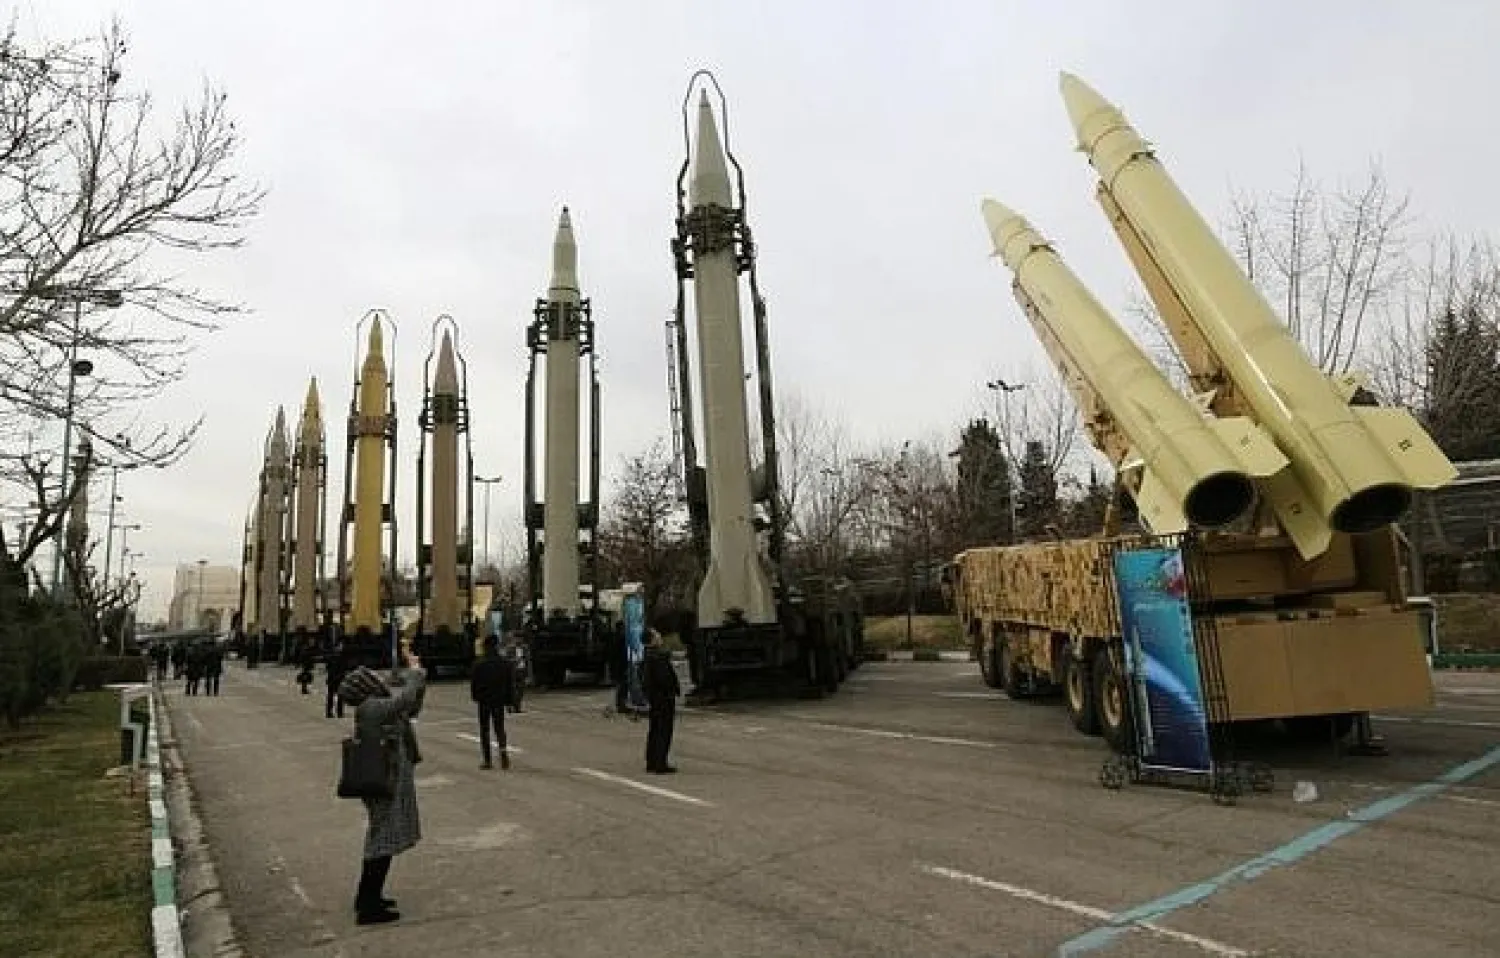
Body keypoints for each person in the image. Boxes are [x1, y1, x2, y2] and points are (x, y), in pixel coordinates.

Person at [338, 652, 427, 926]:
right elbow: (405, 701)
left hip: (386, 780)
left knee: (383, 838)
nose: (378, 680)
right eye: (373, 679)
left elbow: (410, 708)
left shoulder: (374, 706)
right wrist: (415, 672)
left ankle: (369, 896)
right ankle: (368, 905)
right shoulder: (371, 708)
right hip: (383, 782)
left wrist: (419, 682)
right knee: (382, 841)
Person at [469, 634, 516, 770]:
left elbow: (474, 684)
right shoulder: (505, 663)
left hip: (484, 700)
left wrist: (476, 697)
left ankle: (487, 760)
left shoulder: (479, 664)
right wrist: (510, 702)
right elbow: (509, 684)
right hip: (499, 700)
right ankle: (503, 754)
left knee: (484, 730)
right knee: (499, 728)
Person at [641, 629, 679, 774]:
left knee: (655, 728)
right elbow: (664, 679)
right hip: (663, 697)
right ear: (652, 639)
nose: (660, 636)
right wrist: (672, 690)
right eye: (657, 635)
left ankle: (651, 760)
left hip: (654, 697)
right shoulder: (657, 657)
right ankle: (660, 762)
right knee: (664, 729)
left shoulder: (648, 655)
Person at [325, 647, 350, 719]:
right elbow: (344, 669)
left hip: (331, 679)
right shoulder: (343, 659)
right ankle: (339, 713)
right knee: (340, 696)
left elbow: (327, 668)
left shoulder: (330, 658)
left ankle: (329, 712)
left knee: (330, 696)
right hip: (339, 679)